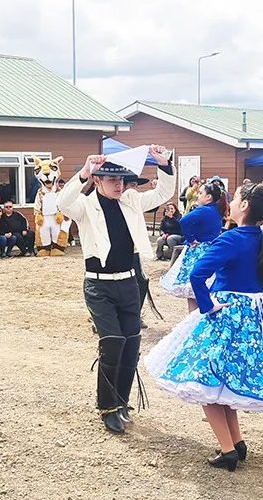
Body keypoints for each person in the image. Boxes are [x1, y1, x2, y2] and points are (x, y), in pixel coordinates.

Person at [144, 182, 263, 472]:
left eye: (236, 198)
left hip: (225, 312)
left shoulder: (231, 239)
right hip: (253, 313)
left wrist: (207, 305)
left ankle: (229, 450)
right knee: (222, 381)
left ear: (244, 207)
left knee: (204, 379)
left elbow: (197, 274)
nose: (231, 202)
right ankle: (236, 443)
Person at [57, 145, 175, 435]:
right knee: (112, 343)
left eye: (122, 180)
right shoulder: (84, 206)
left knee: (131, 344)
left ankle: (121, 402)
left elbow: (162, 194)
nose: (119, 185)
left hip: (129, 281)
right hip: (98, 285)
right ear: (97, 180)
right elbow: (62, 202)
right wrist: (83, 172)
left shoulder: (131, 199)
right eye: (112, 180)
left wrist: (164, 165)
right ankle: (106, 406)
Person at [160, 179, 227, 311]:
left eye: (201, 193)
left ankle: (193, 318)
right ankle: (194, 318)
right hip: (211, 248)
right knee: (197, 290)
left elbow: (184, 221)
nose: (198, 195)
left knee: (194, 287)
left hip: (199, 249)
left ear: (208, 197)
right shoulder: (215, 211)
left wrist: (190, 239)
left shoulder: (204, 210)